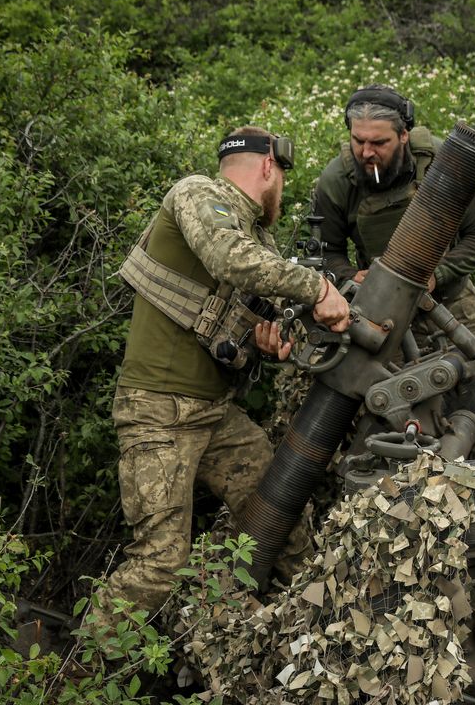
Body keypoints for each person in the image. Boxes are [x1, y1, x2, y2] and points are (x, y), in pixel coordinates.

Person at [90, 126, 351, 634]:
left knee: (283, 518)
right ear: (269, 168)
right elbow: (228, 258)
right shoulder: (197, 195)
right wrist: (318, 286)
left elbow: (252, 317)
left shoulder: (259, 239)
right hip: (157, 413)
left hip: (213, 415)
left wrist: (271, 343)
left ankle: (307, 643)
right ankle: (79, 679)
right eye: (282, 180)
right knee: (161, 561)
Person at [309, 84, 475, 354]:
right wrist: (351, 276)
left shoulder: (445, 162)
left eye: (379, 143)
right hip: (381, 315)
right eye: (358, 140)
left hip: (454, 305)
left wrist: (438, 274)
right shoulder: (337, 180)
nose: (366, 153)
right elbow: (327, 251)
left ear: (403, 135)